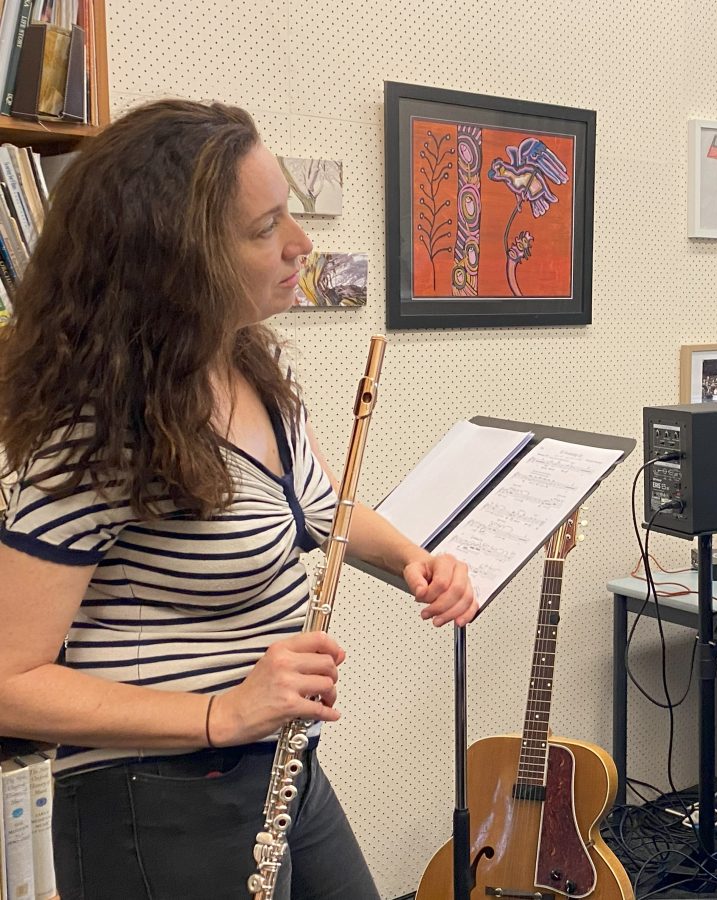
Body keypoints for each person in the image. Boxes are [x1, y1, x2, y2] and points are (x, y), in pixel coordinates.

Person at [0, 99, 477, 899]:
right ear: (175, 260)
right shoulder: (101, 431)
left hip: (271, 765)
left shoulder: (248, 366)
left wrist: (413, 561)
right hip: (154, 797)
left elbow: (320, 507)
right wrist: (223, 710)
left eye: (287, 212)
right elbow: (10, 676)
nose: (301, 245)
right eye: (264, 230)